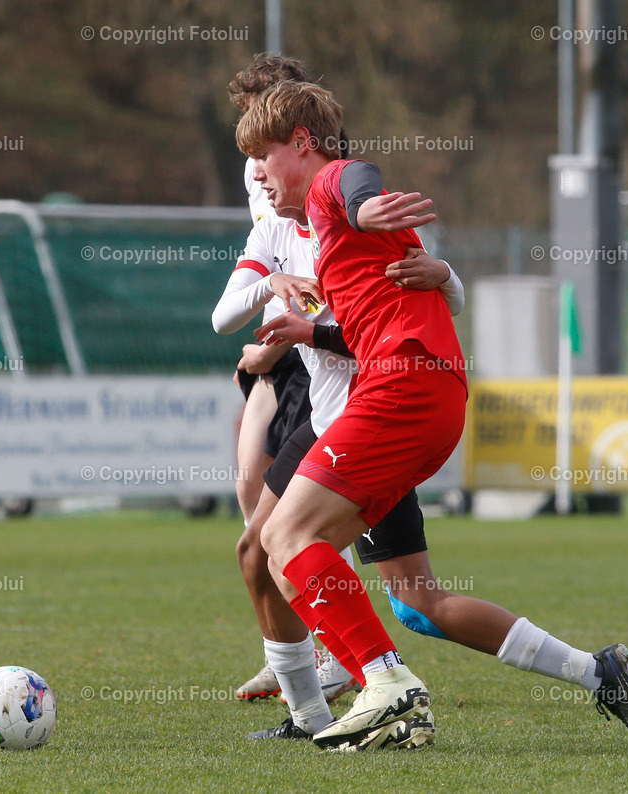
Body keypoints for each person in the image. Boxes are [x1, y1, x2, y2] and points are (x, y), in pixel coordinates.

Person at [255, 309, 628, 748]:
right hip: (330, 425)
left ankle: (376, 689)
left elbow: (396, 333)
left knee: (304, 558)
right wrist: (270, 302)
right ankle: (347, 700)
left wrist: (443, 276)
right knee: (277, 555)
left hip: (363, 430)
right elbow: (228, 312)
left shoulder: (352, 243)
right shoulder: (283, 244)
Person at [233, 79, 474, 750]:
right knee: (286, 551)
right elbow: (396, 305)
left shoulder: (331, 183)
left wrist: (368, 209)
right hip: (413, 395)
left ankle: (383, 680)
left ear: (302, 145)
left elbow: (356, 183)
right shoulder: (323, 239)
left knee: (279, 541)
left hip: (398, 392)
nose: (257, 175)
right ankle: (377, 685)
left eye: (263, 156)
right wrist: (305, 331)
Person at [224, 54, 357, 703]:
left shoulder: (332, 193)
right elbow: (247, 289)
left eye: (263, 122)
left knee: (294, 531)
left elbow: (327, 300)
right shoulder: (267, 187)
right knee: (256, 502)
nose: (254, 155)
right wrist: (270, 297)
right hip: (286, 343)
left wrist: (277, 342)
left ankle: (339, 659)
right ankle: (300, 656)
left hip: (319, 367)